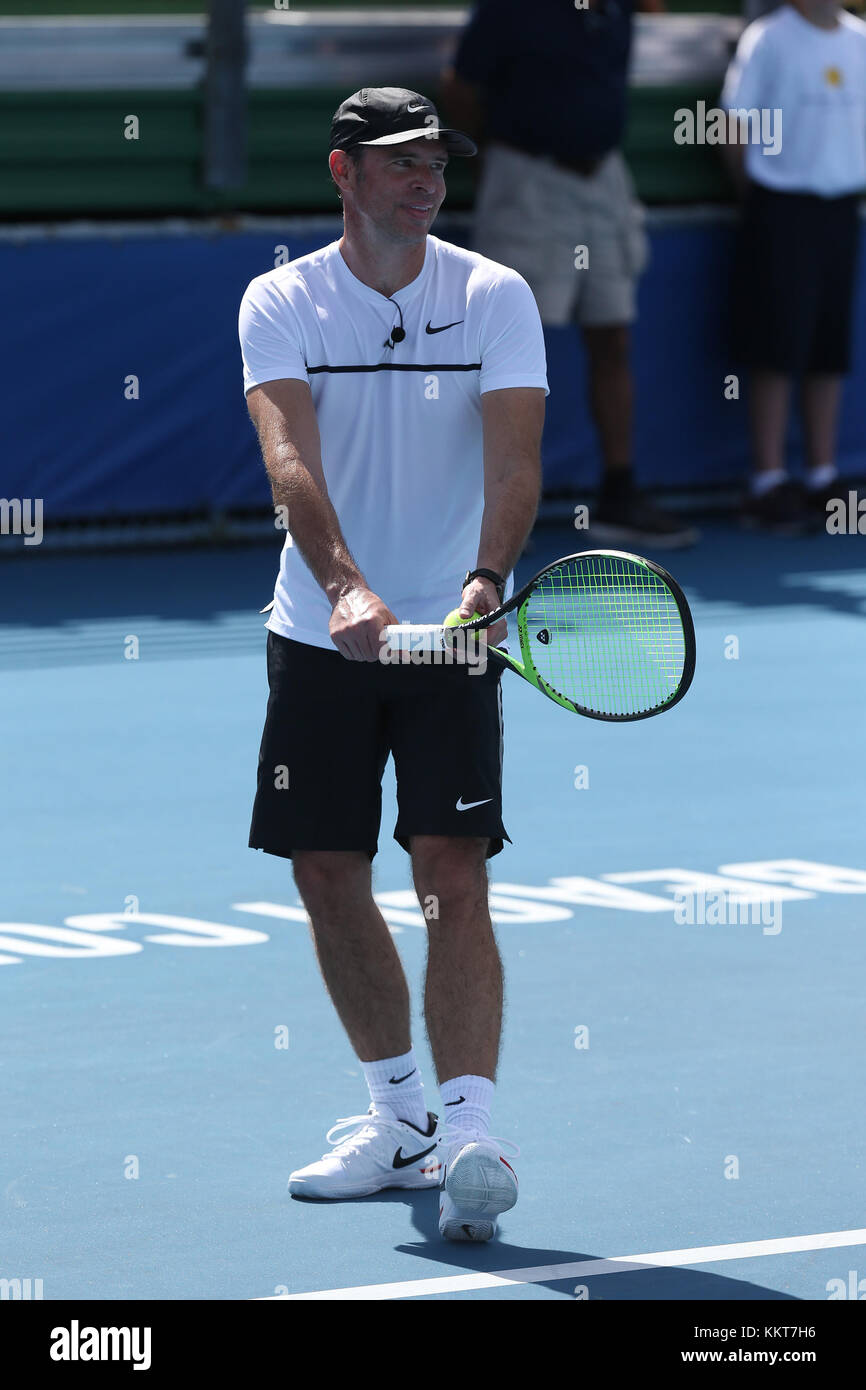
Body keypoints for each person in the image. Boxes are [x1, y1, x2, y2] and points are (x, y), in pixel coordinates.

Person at [238, 88, 547, 1241]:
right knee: (324, 867)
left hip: (451, 635)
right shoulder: (281, 299)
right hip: (321, 633)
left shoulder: (493, 295)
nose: (425, 179)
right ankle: (398, 1115)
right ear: (343, 172)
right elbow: (288, 462)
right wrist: (344, 588)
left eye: (436, 162)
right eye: (401, 162)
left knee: (448, 870)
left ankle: (470, 1128)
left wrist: (482, 581)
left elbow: (514, 460)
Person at [441, 0, 699, 549]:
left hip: (605, 180)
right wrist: (496, 164)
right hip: (526, 182)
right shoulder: (507, 9)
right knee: (503, 347)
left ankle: (619, 494)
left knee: (614, 334)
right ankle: (487, 507)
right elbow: (460, 89)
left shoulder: (618, 9)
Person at [721, 0, 866, 531]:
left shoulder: (860, 39)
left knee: (829, 346)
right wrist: (758, 201)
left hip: (842, 210)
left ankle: (823, 476)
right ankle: (768, 480)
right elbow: (733, 124)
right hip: (780, 209)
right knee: (776, 345)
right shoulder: (768, 38)